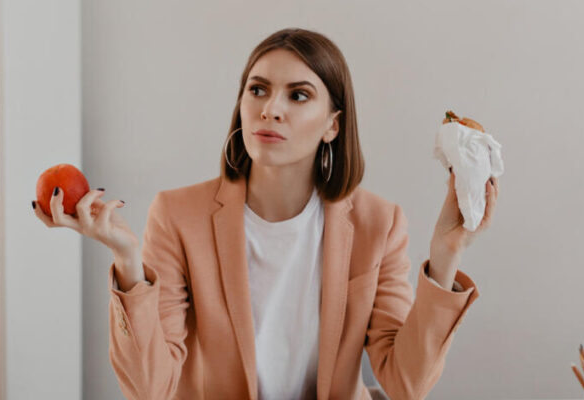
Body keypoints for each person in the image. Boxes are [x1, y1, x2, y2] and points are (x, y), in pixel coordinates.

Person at [32, 27, 499, 400]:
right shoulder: (177, 215)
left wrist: (445, 256)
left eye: (298, 95)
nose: (270, 109)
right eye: (258, 90)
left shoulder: (380, 223)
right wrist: (128, 262)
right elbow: (149, 388)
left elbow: (406, 384)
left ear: (333, 125)